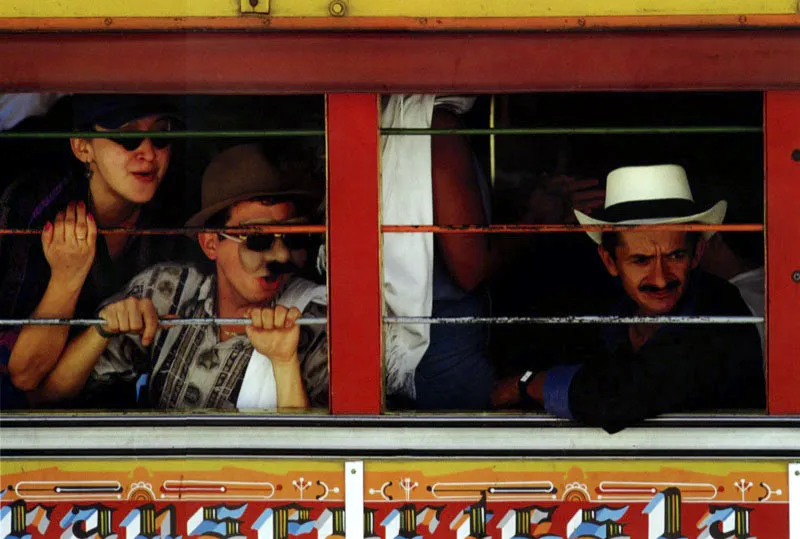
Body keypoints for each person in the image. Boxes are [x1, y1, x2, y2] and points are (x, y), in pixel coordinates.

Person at [32, 144, 328, 410]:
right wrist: (102, 331)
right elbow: (48, 398)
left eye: (293, 240)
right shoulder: (167, 291)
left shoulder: (313, 320)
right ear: (211, 243)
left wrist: (284, 361)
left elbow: (321, 462)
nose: (281, 257)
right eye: (257, 240)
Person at [491, 164, 766, 433]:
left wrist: (527, 384)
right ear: (610, 261)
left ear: (697, 253)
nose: (660, 278)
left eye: (675, 256)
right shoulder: (608, 309)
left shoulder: (720, 308)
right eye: (641, 260)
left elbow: (618, 398)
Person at [0, 94, 191, 409]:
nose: (148, 153)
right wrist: (67, 279)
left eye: (161, 135)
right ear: (82, 147)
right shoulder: (31, 212)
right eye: (126, 136)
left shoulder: (176, 218)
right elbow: (24, 377)